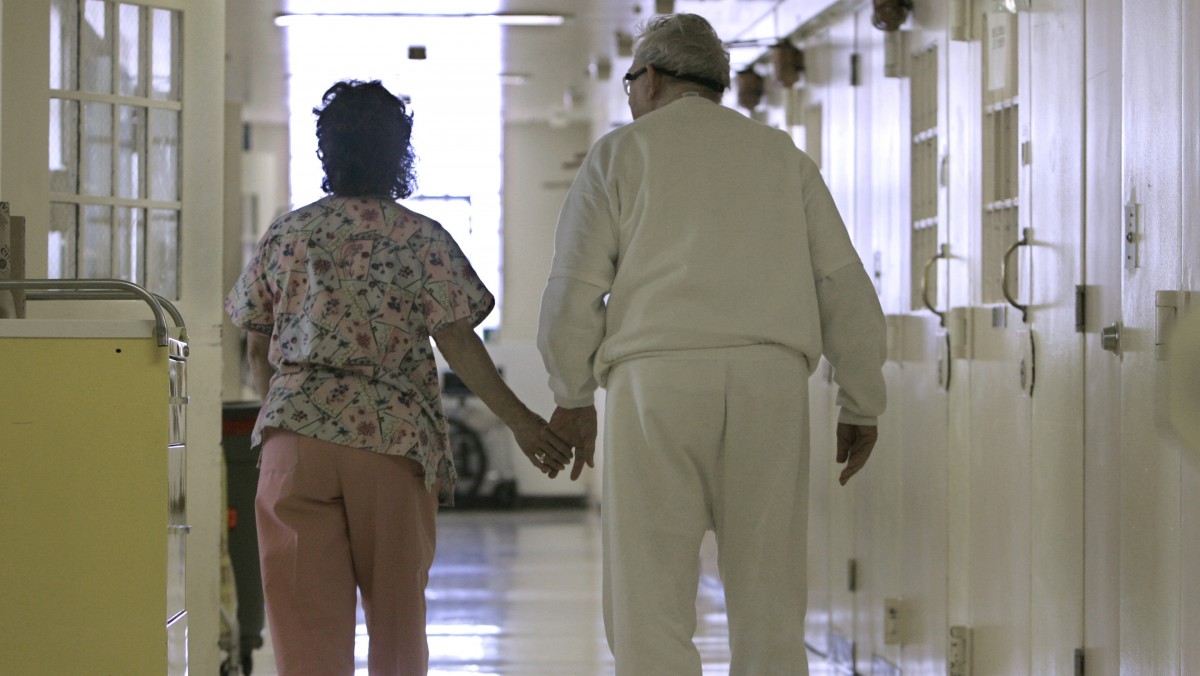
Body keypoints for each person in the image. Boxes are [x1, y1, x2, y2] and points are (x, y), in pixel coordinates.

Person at [536, 13, 887, 675]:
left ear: (655, 79)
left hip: (654, 383)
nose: (629, 94)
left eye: (632, 79)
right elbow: (842, 282)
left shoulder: (620, 153)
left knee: (649, 596)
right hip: (769, 380)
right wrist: (862, 400)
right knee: (770, 596)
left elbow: (572, 288)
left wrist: (572, 396)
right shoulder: (782, 156)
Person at [225, 79, 571, 675]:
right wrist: (522, 423)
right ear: (398, 151)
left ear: (325, 149)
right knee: (396, 626)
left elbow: (257, 346)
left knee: (302, 634)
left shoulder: (287, 234)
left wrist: (285, 417)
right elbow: (459, 343)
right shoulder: (421, 238)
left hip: (294, 445)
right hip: (388, 443)